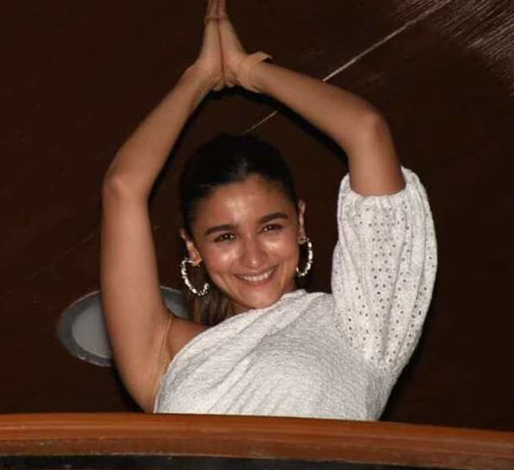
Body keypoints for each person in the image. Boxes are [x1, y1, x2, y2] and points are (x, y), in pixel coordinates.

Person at [100, 0, 436, 419]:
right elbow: (122, 187)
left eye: (270, 227)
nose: (254, 256)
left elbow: (366, 130)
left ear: (300, 223)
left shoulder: (364, 324)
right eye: (225, 236)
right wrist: (198, 78)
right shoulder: (165, 355)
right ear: (193, 248)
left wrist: (249, 71)